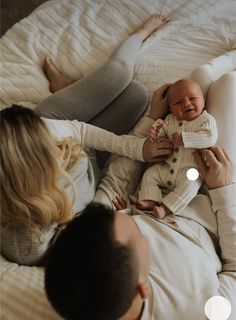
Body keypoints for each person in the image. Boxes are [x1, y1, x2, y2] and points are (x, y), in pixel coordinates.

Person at [45, 51, 236, 320]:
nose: (132, 219)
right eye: (138, 230)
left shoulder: (77, 270)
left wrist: (151, 119)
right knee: (228, 84)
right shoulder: (207, 311)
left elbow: (116, 185)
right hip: (212, 195)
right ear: (143, 287)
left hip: (164, 176)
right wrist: (223, 190)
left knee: (196, 82)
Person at [0, 14, 172, 266]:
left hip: (64, 120)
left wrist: (138, 149)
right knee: (136, 95)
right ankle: (73, 89)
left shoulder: (45, 131)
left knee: (122, 74)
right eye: (51, 148)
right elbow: (84, 233)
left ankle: (139, 33)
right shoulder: (27, 243)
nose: (57, 146)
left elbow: (79, 132)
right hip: (89, 161)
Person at [133, 78, 218, 218]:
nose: (186, 103)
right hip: (166, 167)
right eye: (178, 102)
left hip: (190, 170)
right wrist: (156, 133)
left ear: (203, 100)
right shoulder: (170, 120)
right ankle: (150, 199)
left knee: (192, 184)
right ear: (171, 108)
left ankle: (166, 208)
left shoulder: (206, 120)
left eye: (192, 98)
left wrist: (185, 139)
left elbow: (209, 137)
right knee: (150, 174)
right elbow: (160, 136)